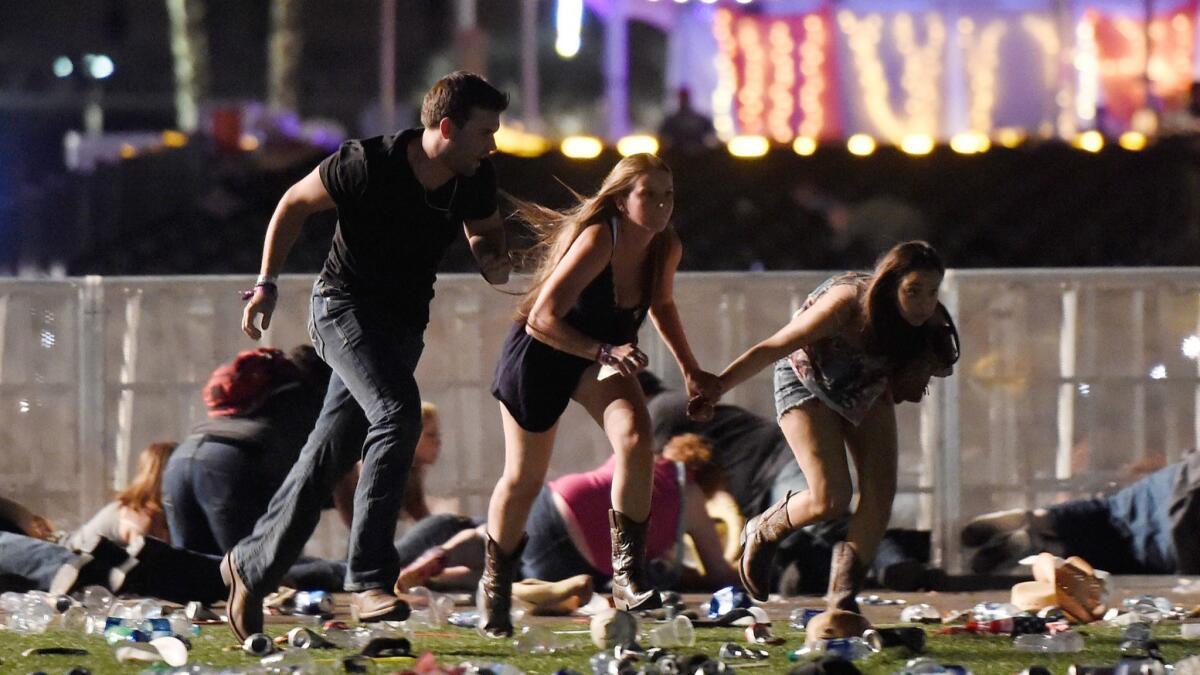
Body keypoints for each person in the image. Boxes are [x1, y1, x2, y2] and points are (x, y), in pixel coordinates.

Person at [227, 71, 511, 640]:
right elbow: (291, 205)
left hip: (401, 329)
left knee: (326, 457)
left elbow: (485, 236)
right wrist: (266, 285)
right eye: (484, 132)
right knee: (399, 415)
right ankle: (371, 580)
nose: (493, 145)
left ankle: (250, 566)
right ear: (447, 127)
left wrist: (496, 258)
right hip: (341, 309)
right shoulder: (365, 164)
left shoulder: (474, 176)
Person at [480, 153, 720, 637]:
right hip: (544, 353)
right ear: (621, 198)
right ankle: (495, 584)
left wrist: (692, 370)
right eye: (646, 194)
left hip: (597, 358)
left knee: (635, 437)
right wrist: (605, 350)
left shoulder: (664, 246)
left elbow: (663, 303)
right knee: (524, 478)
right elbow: (542, 318)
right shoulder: (598, 238)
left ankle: (627, 575)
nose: (659, 205)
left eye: (667, 195)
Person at [703, 241, 958, 616]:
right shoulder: (846, 303)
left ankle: (843, 595)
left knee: (881, 490)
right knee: (831, 497)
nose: (923, 303)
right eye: (913, 291)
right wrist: (717, 387)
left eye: (932, 292)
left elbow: (915, 385)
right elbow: (774, 345)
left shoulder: (930, 322)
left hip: (864, 384)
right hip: (805, 377)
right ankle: (763, 530)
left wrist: (917, 372)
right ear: (890, 285)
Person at [162, 347, 336, 556]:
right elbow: (320, 478)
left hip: (182, 457)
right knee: (254, 566)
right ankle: (347, 573)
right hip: (231, 462)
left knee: (194, 570)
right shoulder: (310, 400)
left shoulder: (271, 385)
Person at [963, 447, 1200, 575]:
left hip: (1173, 486)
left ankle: (1037, 520)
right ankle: (1041, 545)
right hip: (1177, 543)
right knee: (1122, 559)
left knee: (1109, 512)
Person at [658, 88, 717, 156]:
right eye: (682, 98)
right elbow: (663, 137)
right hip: (675, 154)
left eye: (685, 97)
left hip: (701, 153)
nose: (684, 100)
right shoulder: (671, 120)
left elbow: (711, 136)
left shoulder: (701, 119)